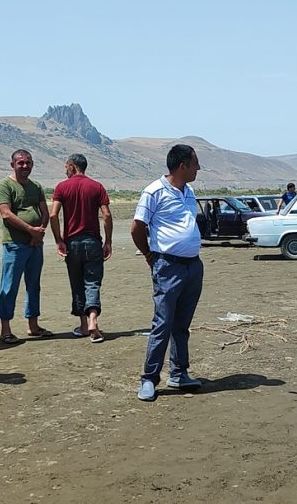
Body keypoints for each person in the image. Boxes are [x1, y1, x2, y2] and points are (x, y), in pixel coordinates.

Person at [131, 144, 204, 402]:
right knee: (162, 323)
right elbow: (137, 228)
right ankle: (149, 378)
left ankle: (179, 373)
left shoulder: (189, 191)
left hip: (193, 265)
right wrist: (149, 255)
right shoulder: (154, 192)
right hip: (168, 266)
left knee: (182, 325)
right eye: (195, 163)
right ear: (182, 165)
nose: (198, 168)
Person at [49, 153, 113, 343]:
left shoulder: (62, 187)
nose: (65, 170)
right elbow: (106, 215)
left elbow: (53, 215)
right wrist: (108, 241)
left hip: (72, 242)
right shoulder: (96, 186)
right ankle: (93, 320)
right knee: (92, 282)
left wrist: (58, 240)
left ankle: (84, 325)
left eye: (66, 167)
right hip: (92, 241)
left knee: (77, 283)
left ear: (72, 166)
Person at [0, 149, 51, 344]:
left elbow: (45, 212)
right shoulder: (5, 185)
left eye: (28, 163)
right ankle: (5, 330)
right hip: (15, 244)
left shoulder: (36, 186)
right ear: (13, 165)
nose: (25, 166)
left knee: (34, 284)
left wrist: (39, 231)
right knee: (9, 286)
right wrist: (30, 230)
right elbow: (6, 214)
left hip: (35, 245)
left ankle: (33, 325)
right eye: (21, 163)